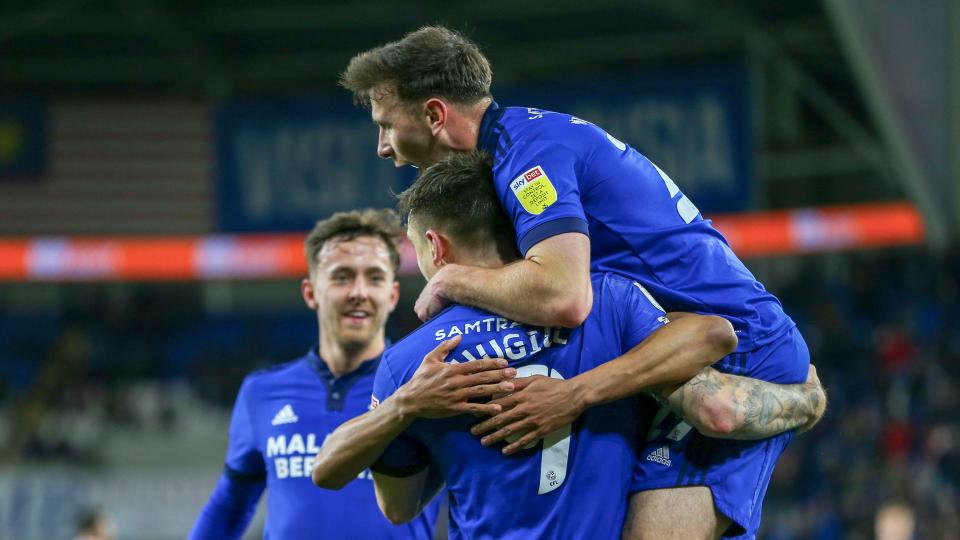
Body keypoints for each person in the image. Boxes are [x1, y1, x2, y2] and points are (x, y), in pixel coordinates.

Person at [340, 27, 824, 539]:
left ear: (435, 115)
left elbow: (565, 297)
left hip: (739, 350)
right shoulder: (520, 143)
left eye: (386, 126)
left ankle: (805, 401)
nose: (381, 148)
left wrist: (457, 278)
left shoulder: (526, 158)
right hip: (676, 339)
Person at [188, 209, 441, 539]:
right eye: (342, 277)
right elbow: (228, 508)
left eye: (375, 277)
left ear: (392, 295)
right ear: (310, 293)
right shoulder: (260, 392)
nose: (359, 292)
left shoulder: (424, 382)